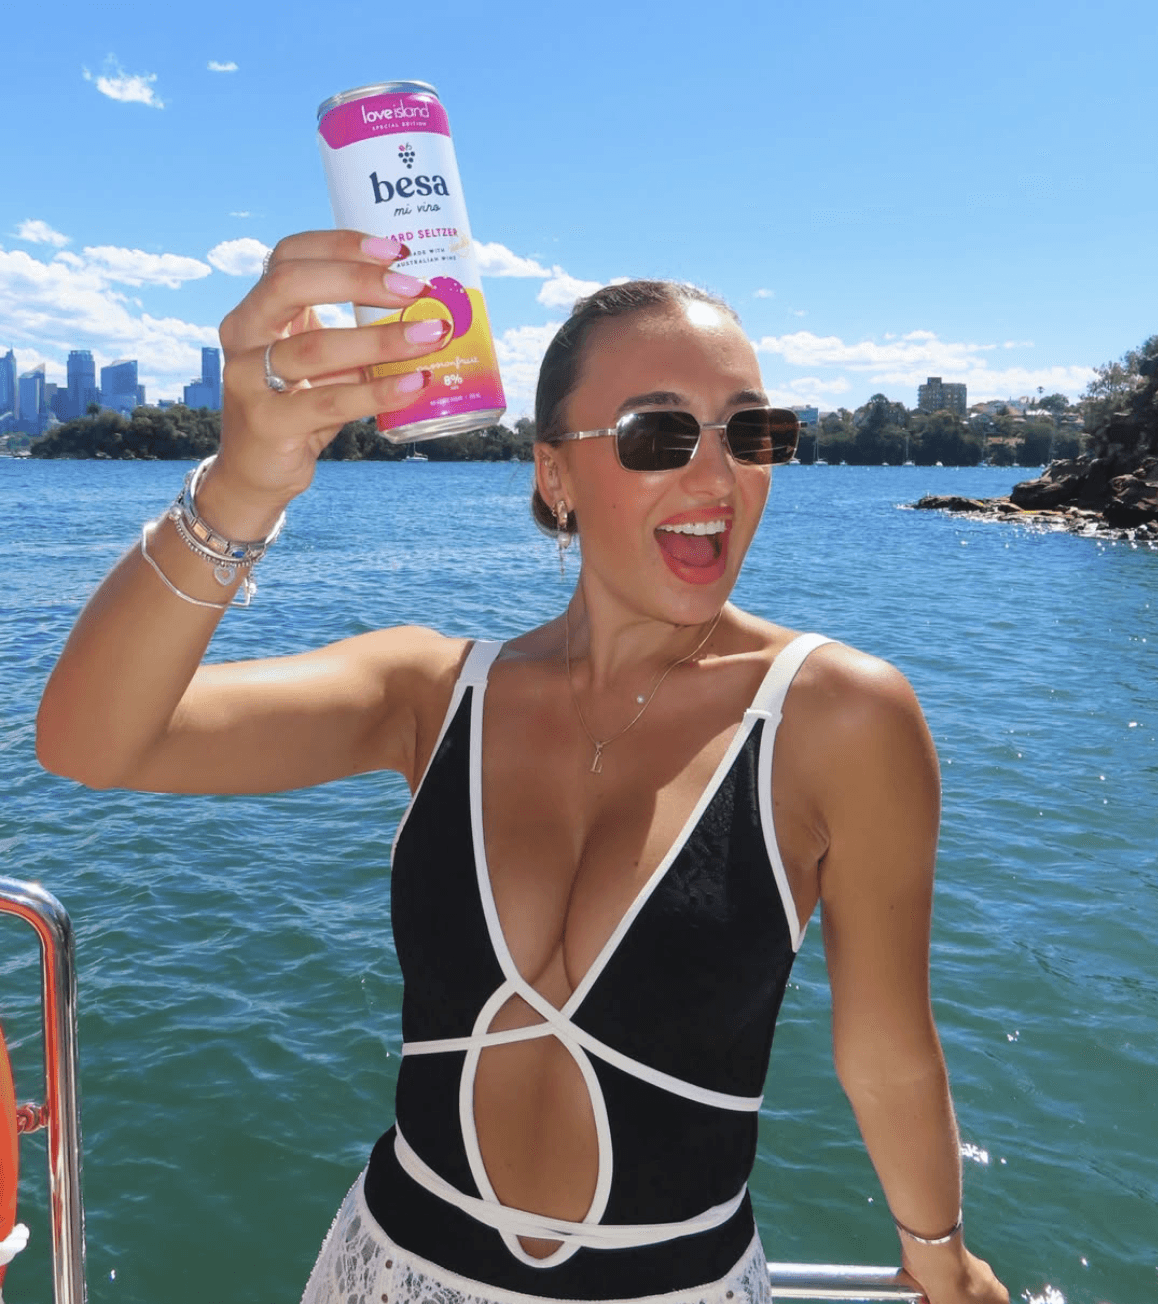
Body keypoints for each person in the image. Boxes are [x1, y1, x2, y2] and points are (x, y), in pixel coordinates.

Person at [36, 231, 1008, 1304]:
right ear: (554, 472)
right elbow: (93, 736)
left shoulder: (840, 716)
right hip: (391, 1266)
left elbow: (884, 1045)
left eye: (752, 431)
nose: (716, 470)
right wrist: (243, 480)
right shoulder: (429, 692)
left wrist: (938, 1255)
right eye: (659, 432)